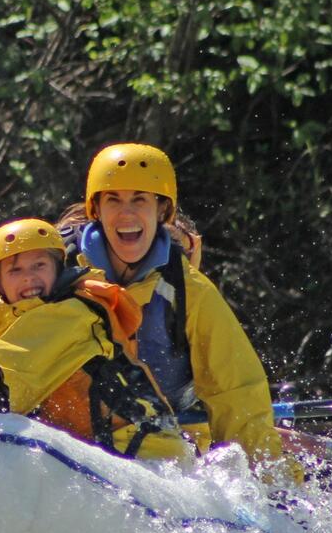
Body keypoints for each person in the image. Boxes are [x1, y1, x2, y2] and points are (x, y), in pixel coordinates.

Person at [62, 143, 295, 477]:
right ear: (96, 210)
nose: (126, 214)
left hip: (163, 448)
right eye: (114, 200)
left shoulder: (191, 292)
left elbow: (236, 393)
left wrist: (273, 484)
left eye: (140, 200)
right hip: (71, 443)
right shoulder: (55, 274)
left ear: (162, 211)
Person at [0, 219, 192, 461]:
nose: (29, 278)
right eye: (15, 270)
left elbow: (9, 383)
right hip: (107, 450)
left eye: (39, 265)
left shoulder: (70, 314)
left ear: (58, 269)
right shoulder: (8, 315)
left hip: (143, 451)